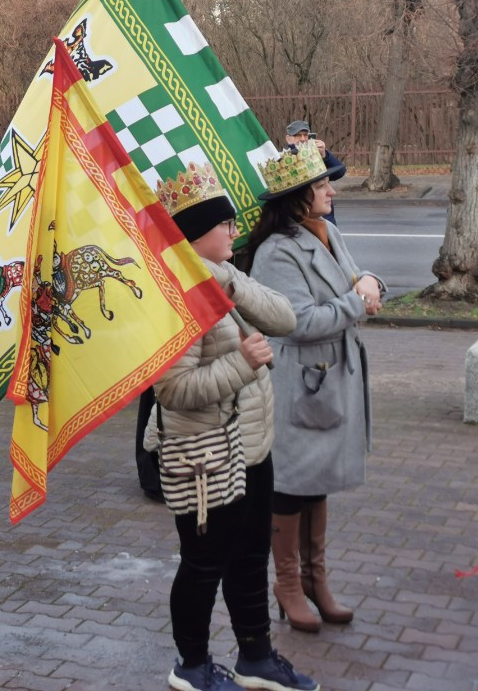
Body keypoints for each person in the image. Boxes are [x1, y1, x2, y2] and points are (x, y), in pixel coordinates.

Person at [153, 164, 317, 691]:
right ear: (195, 234)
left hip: (251, 446)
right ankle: (192, 666)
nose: (233, 230)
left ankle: (256, 657)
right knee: (203, 566)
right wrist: (244, 363)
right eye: (222, 224)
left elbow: (285, 318)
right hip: (205, 458)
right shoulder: (175, 296)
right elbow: (172, 391)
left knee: (250, 557)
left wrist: (225, 279)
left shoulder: (224, 274)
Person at [247, 140, 383, 633]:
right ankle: (287, 584)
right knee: (291, 483)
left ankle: (315, 579)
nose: (329, 191)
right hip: (300, 382)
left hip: (329, 377)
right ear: (299, 196)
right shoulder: (276, 251)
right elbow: (298, 321)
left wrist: (368, 282)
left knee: (318, 480)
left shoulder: (325, 230)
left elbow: (356, 274)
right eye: (321, 185)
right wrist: (358, 303)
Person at [285, 120, 344, 224]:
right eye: (298, 136)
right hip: (302, 218)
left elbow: (339, 172)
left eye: (305, 135)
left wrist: (325, 155)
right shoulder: (284, 160)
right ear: (288, 139)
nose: (303, 139)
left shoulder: (317, 153)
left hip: (325, 219)